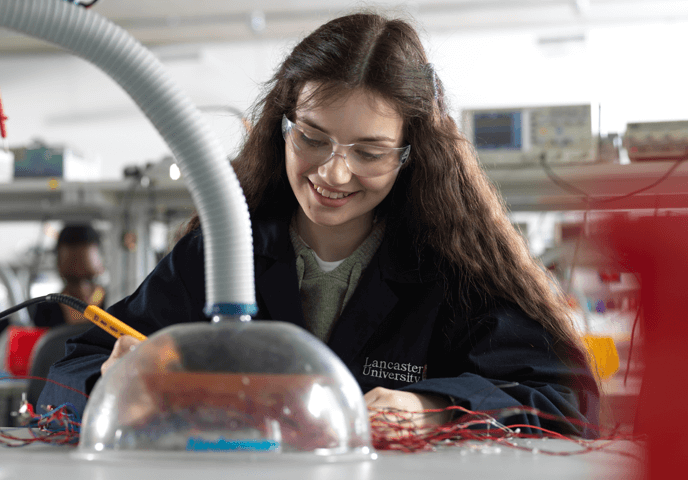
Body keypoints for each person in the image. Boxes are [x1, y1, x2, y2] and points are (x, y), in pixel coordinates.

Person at [39, 11, 599, 437]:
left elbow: (567, 398)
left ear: (412, 154)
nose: (334, 172)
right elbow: (66, 374)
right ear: (282, 125)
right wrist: (117, 385)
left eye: (370, 151)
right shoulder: (221, 256)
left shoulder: (452, 271)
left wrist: (431, 408)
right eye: (312, 137)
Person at [0, 224, 106, 367]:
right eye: (73, 278)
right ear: (59, 266)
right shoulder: (36, 313)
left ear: (101, 264)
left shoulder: (118, 308)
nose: (82, 288)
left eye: (88, 276)